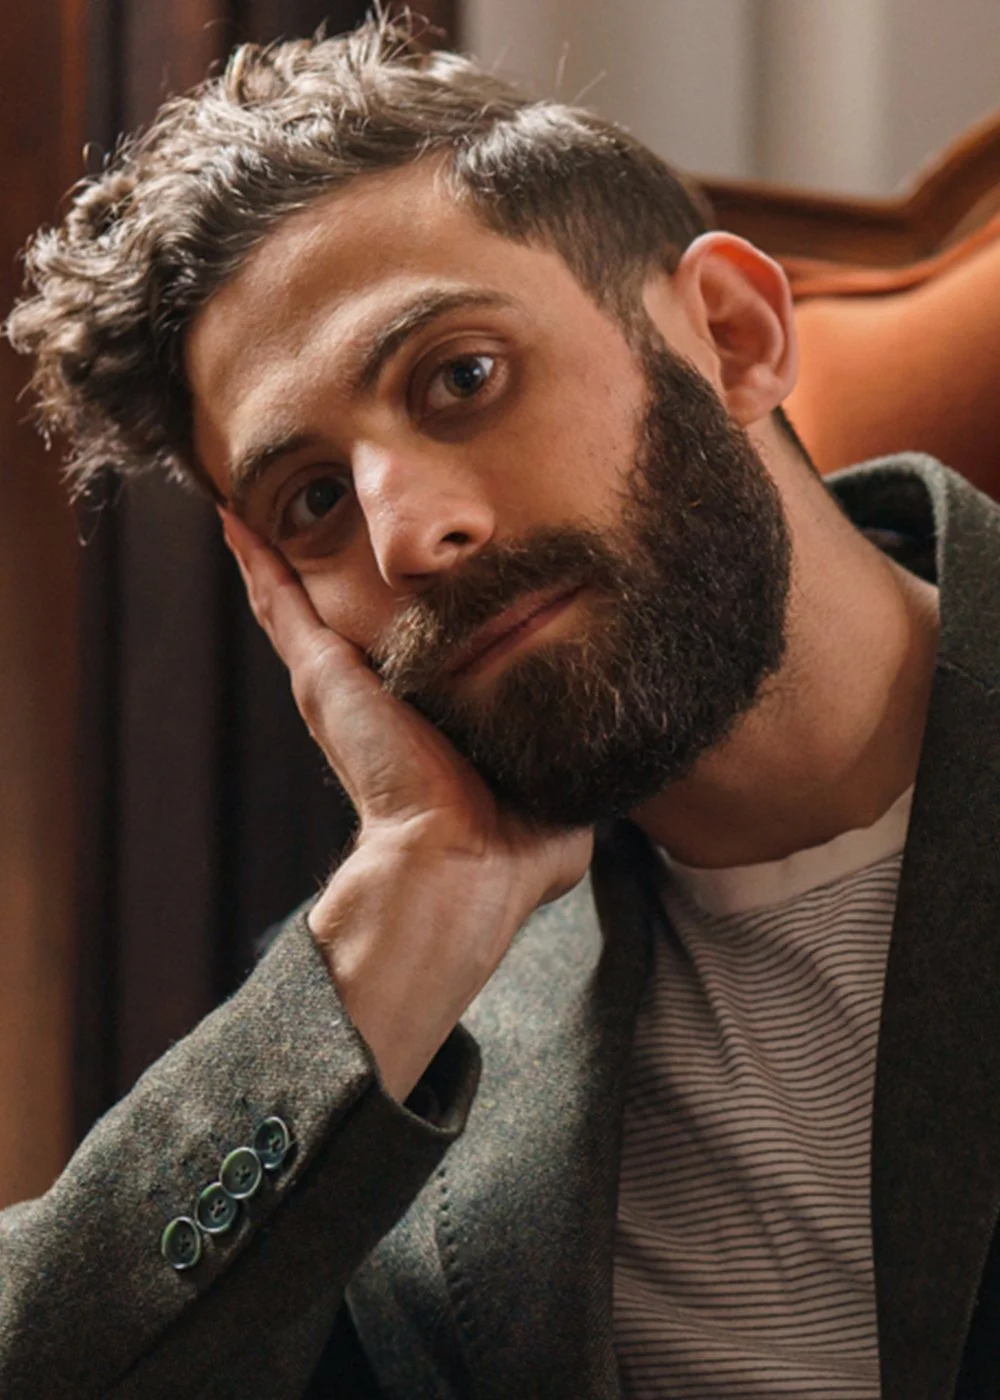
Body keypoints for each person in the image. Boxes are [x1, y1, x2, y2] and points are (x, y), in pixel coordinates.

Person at [2, 13, 998, 1399]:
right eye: (315, 501)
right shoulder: (409, 1026)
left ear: (730, 332)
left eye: (462, 378)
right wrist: (407, 910)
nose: (406, 538)